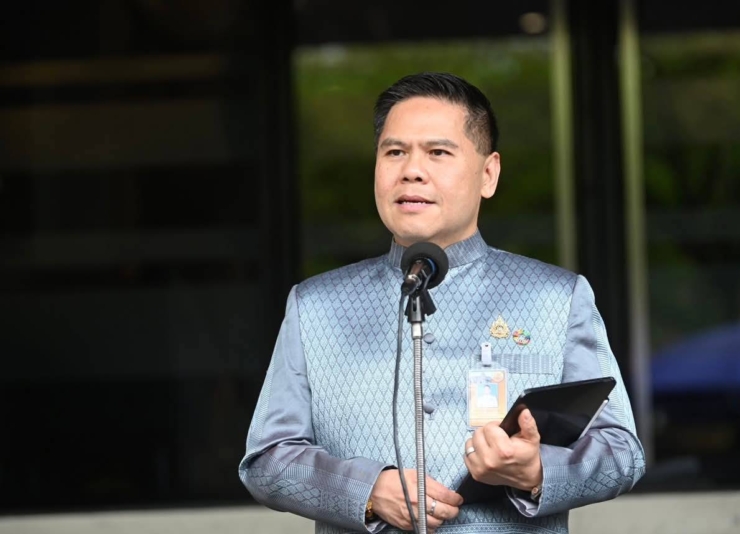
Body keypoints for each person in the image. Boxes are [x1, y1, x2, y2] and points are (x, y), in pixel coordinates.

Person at [239, 71, 646, 533]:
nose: (411, 170)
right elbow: (267, 459)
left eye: (438, 152)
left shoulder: (555, 297)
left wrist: (536, 471)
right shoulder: (315, 307)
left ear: (488, 174)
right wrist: (367, 490)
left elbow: (622, 452)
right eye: (394, 152)